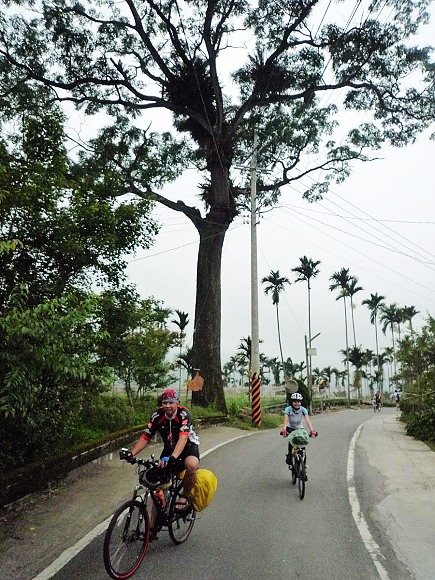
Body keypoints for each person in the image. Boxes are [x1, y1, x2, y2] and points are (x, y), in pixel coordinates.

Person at [124, 388, 200, 524]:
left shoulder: (184, 414)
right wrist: (131, 453)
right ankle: (152, 527)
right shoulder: (158, 416)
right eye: (165, 402)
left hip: (188, 446)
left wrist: (173, 457)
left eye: (171, 402)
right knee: (158, 486)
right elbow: (146, 437)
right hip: (169, 448)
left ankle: (184, 495)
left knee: (192, 465)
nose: (167, 406)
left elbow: (183, 438)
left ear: (177, 403)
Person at [281, 392, 317, 469]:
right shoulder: (288, 409)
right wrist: (284, 429)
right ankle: (290, 457)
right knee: (291, 444)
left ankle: (304, 466)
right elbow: (286, 419)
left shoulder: (303, 410)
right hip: (290, 428)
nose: (296, 403)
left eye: (298, 402)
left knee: (302, 448)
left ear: (300, 402)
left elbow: (307, 420)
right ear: (292, 402)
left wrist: (312, 430)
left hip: (300, 429)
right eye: (295, 401)